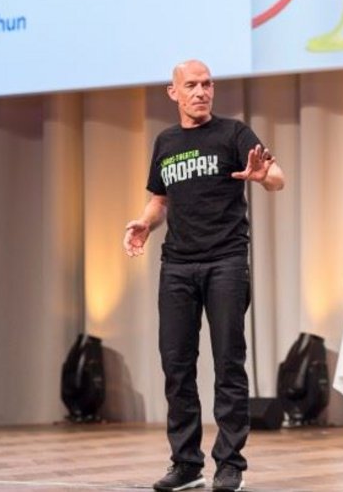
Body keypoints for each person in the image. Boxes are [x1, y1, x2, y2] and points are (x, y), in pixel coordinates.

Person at [124, 59, 284, 492]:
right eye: (192, 85)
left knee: (229, 363)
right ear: (173, 92)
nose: (201, 91)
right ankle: (186, 463)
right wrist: (144, 223)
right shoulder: (166, 141)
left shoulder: (234, 133)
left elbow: (277, 177)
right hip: (177, 265)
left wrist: (263, 176)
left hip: (225, 261)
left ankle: (229, 464)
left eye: (207, 84)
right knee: (176, 365)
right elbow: (160, 200)